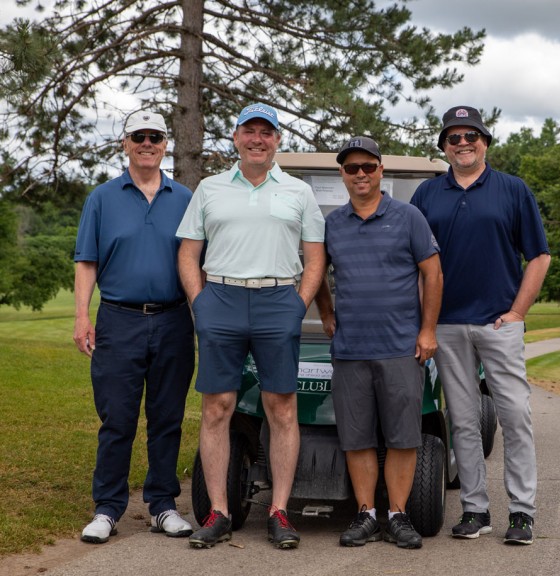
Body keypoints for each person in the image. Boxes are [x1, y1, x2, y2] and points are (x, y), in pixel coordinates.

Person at [176, 103, 326, 550]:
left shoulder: (298, 192)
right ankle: (218, 511)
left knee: (280, 406)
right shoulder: (210, 187)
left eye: (266, 132)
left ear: (278, 140)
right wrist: (200, 303)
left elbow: (315, 258)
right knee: (218, 406)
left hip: (278, 297)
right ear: (236, 138)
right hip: (219, 298)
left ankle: (279, 511)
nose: (257, 139)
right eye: (249, 131)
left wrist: (296, 305)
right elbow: (188, 253)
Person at [410, 106, 551, 545]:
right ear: (444, 148)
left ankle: (522, 513)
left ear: (485, 142)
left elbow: (539, 256)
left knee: (515, 417)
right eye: (454, 137)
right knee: (465, 422)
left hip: (498, 324)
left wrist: (517, 313)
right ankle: (475, 509)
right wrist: (423, 323)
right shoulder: (427, 194)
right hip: (446, 325)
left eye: (471, 135)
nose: (463, 143)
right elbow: (414, 264)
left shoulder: (512, 189)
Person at [73, 110, 196, 544]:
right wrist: (82, 315)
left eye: (156, 137)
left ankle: (162, 504)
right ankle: (107, 508)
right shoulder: (102, 198)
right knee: (117, 419)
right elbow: (86, 260)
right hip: (119, 320)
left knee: (167, 417)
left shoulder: (185, 198)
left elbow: (198, 261)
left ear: (166, 144)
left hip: (174, 319)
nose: (147, 143)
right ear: (124, 143)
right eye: (138, 136)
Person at [314, 137, 443, 550]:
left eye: (368, 166)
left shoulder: (409, 217)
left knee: (404, 438)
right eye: (352, 169)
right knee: (358, 437)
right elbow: (316, 273)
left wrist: (427, 331)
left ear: (380, 170)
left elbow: (433, 275)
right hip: (351, 350)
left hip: (400, 348)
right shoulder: (332, 224)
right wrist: (327, 314)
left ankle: (398, 515)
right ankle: (367, 514)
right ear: (343, 175)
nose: (361, 174)